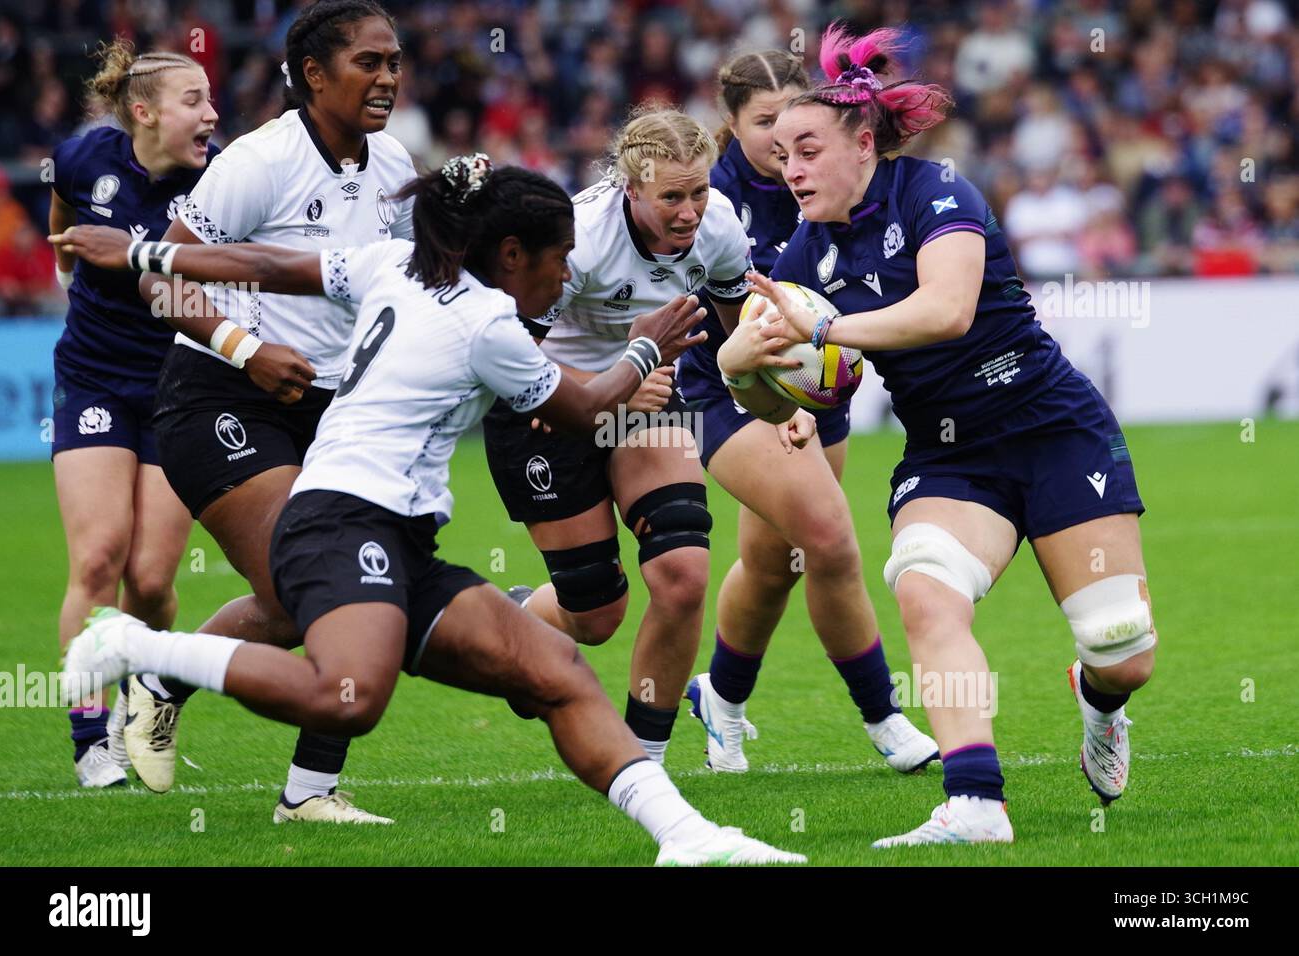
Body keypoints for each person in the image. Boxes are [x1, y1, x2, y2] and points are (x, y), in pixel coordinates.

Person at [56, 159, 805, 866]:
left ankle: (689, 837)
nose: (568, 273)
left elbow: (263, 264)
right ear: (512, 253)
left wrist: (142, 253)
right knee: (347, 697)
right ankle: (137, 648)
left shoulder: (392, 264)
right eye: (560, 256)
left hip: (400, 533)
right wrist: (644, 350)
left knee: (558, 674)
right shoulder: (489, 326)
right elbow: (582, 409)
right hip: (342, 523)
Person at [719, 24, 1156, 846]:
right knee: (923, 585)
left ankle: (1101, 704)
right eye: (780, 156)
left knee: (1121, 647)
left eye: (807, 147)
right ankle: (976, 804)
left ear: (863, 140)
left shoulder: (938, 192)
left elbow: (946, 310)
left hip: (1053, 427)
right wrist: (744, 369)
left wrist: (823, 334)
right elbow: (790, 410)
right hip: (950, 455)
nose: (793, 169)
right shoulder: (802, 258)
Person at [118, 0, 417, 823]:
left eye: (394, 61)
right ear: (314, 75)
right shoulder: (261, 160)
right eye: (369, 62)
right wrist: (247, 348)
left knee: (329, 594)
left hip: (334, 408)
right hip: (222, 394)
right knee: (325, 591)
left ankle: (166, 678)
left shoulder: (394, 163)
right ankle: (307, 793)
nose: (388, 77)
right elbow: (158, 278)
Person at [481, 107, 770, 764]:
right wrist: (617, 372)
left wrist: (782, 400)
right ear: (628, 189)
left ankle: (646, 762)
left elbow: (739, 330)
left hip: (647, 402)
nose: (690, 210)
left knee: (683, 574)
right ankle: (515, 616)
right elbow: (503, 355)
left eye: (698, 190)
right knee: (596, 616)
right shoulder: (577, 236)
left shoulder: (717, 222)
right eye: (671, 196)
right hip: (543, 405)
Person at [677, 49, 938, 773]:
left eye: (795, 130)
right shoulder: (707, 195)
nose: (780, 144)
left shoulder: (819, 182)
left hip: (815, 382)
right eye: (763, 125)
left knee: (773, 563)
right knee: (829, 541)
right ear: (730, 125)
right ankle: (884, 717)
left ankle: (720, 698)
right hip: (720, 385)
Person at [46, 39, 218, 787]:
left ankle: (140, 708)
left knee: (150, 580)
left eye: (212, 99)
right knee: (97, 558)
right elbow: (63, 230)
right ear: (143, 113)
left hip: (180, 386)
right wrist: (79, 266)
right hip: (91, 379)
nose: (212, 113)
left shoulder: (221, 184)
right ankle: (90, 742)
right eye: (194, 101)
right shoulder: (84, 159)